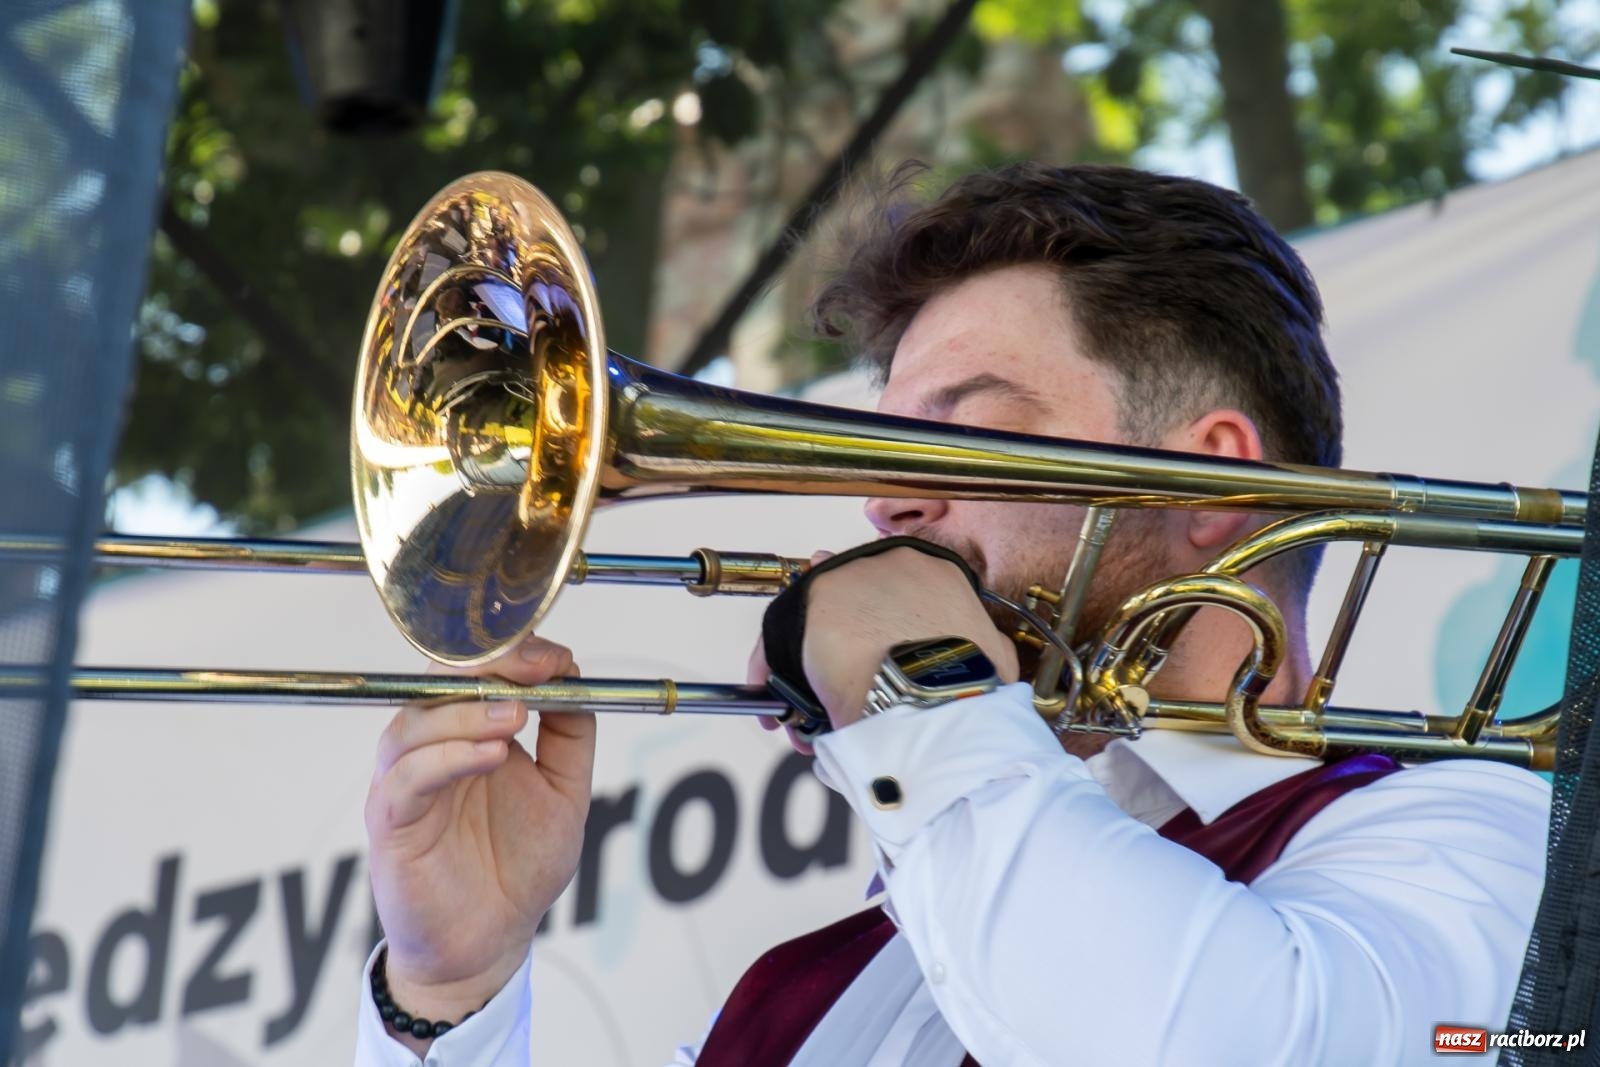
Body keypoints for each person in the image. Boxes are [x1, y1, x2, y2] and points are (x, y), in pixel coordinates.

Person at [354, 163, 1549, 1065]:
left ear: (1213, 489)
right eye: (887, 433)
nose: (884, 496)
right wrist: (446, 987)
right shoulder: (825, 987)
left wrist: (914, 681)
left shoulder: (1472, 832)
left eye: (964, 428)